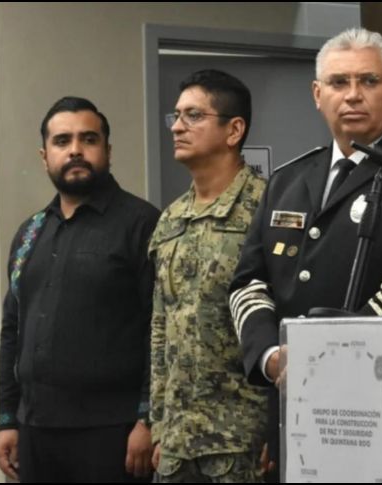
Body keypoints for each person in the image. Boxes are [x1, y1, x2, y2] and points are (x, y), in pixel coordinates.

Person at [228, 28, 382, 482]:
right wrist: (270, 357)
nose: (353, 95)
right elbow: (249, 282)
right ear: (317, 95)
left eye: (369, 81)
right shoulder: (287, 179)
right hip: (297, 403)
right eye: (339, 83)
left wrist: (328, 360)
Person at [0, 96, 159, 482]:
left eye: (88, 139)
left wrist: (148, 419)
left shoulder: (141, 224)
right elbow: (12, 329)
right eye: (62, 141)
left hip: (115, 434)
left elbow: (161, 329)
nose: (75, 151)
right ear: (44, 155)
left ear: (108, 150)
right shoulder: (30, 232)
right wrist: (6, 418)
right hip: (36, 431)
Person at [149, 70, 268, 482]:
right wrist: (159, 425)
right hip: (177, 447)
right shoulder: (170, 218)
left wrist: (280, 426)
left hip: (241, 442)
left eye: (194, 115)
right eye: (176, 116)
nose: (178, 127)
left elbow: (288, 323)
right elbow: (161, 326)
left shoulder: (267, 209)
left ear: (234, 129)